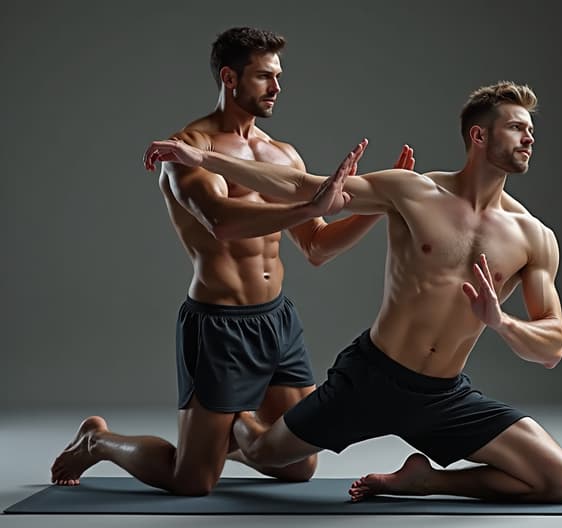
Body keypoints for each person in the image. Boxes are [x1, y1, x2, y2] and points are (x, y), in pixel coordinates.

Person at [143, 81, 562, 503]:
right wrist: (202, 157)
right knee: (265, 455)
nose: (529, 138)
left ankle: (424, 481)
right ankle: (233, 421)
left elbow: (552, 346)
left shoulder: (535, 237)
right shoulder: (414, 191)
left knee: (559, 479)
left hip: (442, 395)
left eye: (531, 130)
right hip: (370, 380)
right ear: (479, 135)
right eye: (517, 127)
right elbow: (303, 186)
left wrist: (500, 321)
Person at [50, 27, 413, 496]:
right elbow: (220, 221)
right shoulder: (186, 149)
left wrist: (381, 206)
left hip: (276, 320)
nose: (277, 87)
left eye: (278, 76)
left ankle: (222, 432)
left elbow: (317, 247)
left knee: (299, 464)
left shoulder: (282, 154)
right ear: (229, 77)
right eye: (264, 76)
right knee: (192, 480)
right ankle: (98, 441)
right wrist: (309, 206)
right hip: (219, 325)